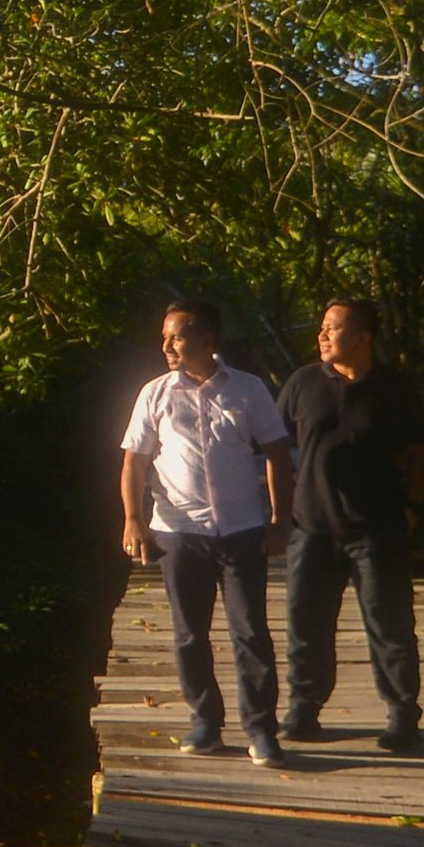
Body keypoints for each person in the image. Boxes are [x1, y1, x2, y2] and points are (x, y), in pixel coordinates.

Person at [120, 297, 292, 765]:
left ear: (206, 340)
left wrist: (280, 520)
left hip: (240, 530)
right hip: (178, 531)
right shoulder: (154, 393)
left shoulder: (248, 390)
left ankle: (261, 730)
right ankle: (206, 723)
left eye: (176, 336)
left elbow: (277, 453)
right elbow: (134, 461)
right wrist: (134, 519)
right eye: (165, 337)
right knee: (188, 634)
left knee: (250, 631)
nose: (167, 346)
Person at [277, 296, 424, 752]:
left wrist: (414, 505)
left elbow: (422, 450)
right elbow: (273, 447)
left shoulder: (394, 389)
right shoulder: (302, 384)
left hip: (376, 529)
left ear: (363, 338)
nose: (322, 334)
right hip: (312, 527)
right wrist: (279, 512)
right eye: (321, 327)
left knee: (389, 622)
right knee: (307, 620)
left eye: (333, 327)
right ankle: (304, 707)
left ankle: (402, 712)